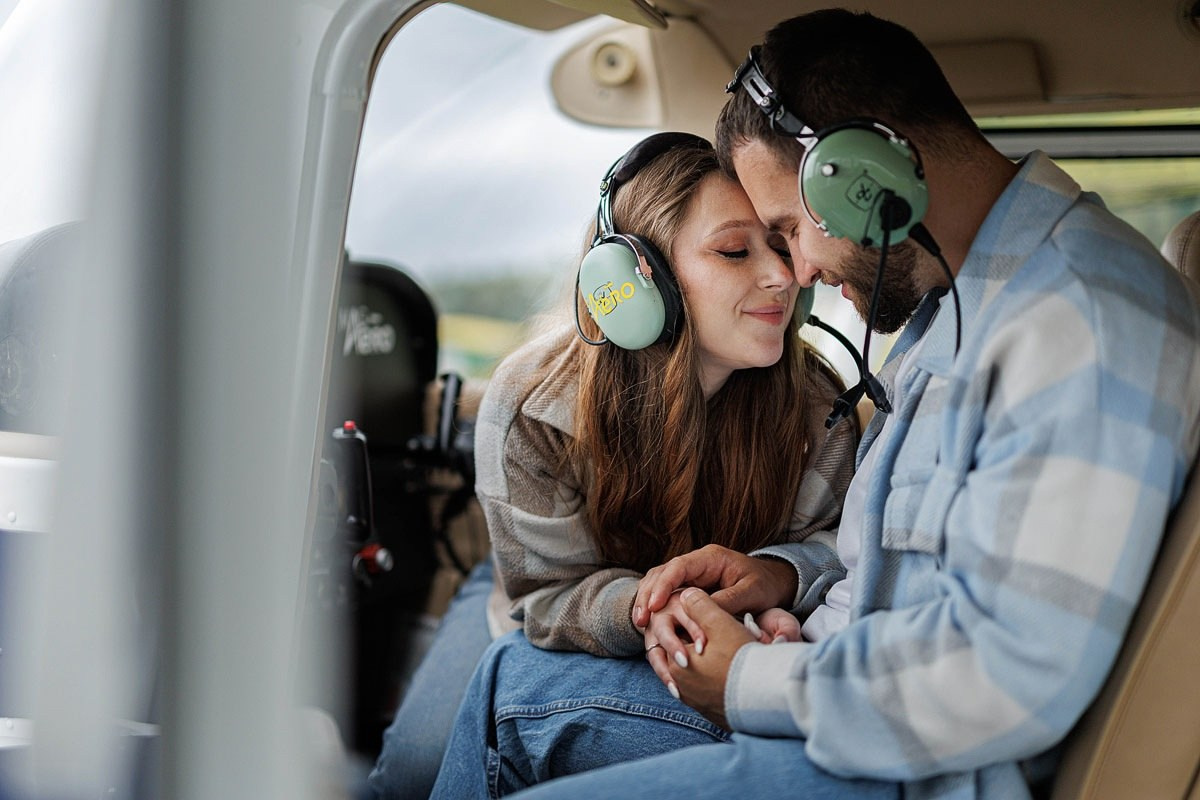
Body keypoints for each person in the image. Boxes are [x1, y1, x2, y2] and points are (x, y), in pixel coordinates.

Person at [430, 9, 1200, 800]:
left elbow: (1008, 675)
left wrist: (749, 677)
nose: (794, 273)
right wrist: (777, 583)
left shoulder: (1077, 322)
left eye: (790, 229)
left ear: (866, 172)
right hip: (844, 692)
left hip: (903, 761)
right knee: (509, 676)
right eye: (749, 245)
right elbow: (891, 570)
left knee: (503, 701)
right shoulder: (969, 304)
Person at [371, 132, 858, 799]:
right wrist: (644, 607)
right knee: (413, 771)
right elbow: (544, 595)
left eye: (781, 245)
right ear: (631, 283)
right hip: (553, 586)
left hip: (719, 640)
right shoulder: (532, 406)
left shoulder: (819, 408)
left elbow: (841, 549)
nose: (783, 275)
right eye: (734, 251)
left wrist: (780, 579)